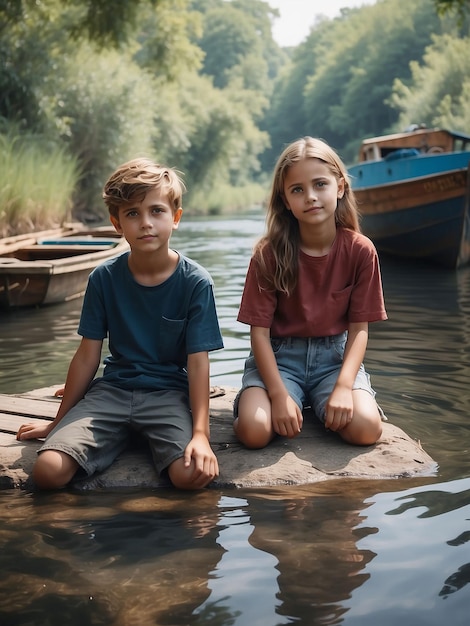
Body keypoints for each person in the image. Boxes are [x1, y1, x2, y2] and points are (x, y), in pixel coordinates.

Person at [17, 158, 224, 490]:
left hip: (168, 394)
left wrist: (201, 435)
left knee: (190, 477)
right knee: (48, 471)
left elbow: (198, 363)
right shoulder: (104, 278)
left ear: (176, 218)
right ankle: (115, 436)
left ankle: (143, 438)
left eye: (157, 211)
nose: (145, 223)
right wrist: (56, 422)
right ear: (117, 224)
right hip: (113, 392)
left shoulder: (196, 282)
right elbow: (87, 355)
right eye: (132, 214)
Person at [233, 137, 387, 449]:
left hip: (334, 361)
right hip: (279, 360)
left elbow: (359, 330)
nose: (311, 197)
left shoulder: (360, 250)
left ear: (340, 187)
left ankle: (320, 402)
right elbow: (259, 335)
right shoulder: (268, 254)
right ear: (285, 200)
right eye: (298, 190)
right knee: (254, 431)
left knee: (367, 429)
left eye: (320, 184)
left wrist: (344, 387)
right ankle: (277, 400)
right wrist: (277, 395)